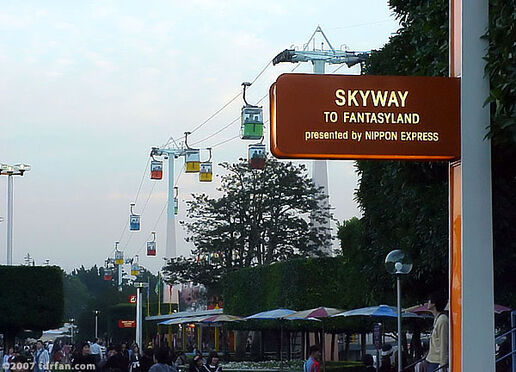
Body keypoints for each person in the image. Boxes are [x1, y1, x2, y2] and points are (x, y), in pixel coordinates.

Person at [425, 292, 449, 372]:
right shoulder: (437, 319)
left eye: (429, 300)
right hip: (431, 360)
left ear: (434, 303)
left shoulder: (442, 320)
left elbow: (443, 343)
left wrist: (443, 365)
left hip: (437, 362)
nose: (427, 302)